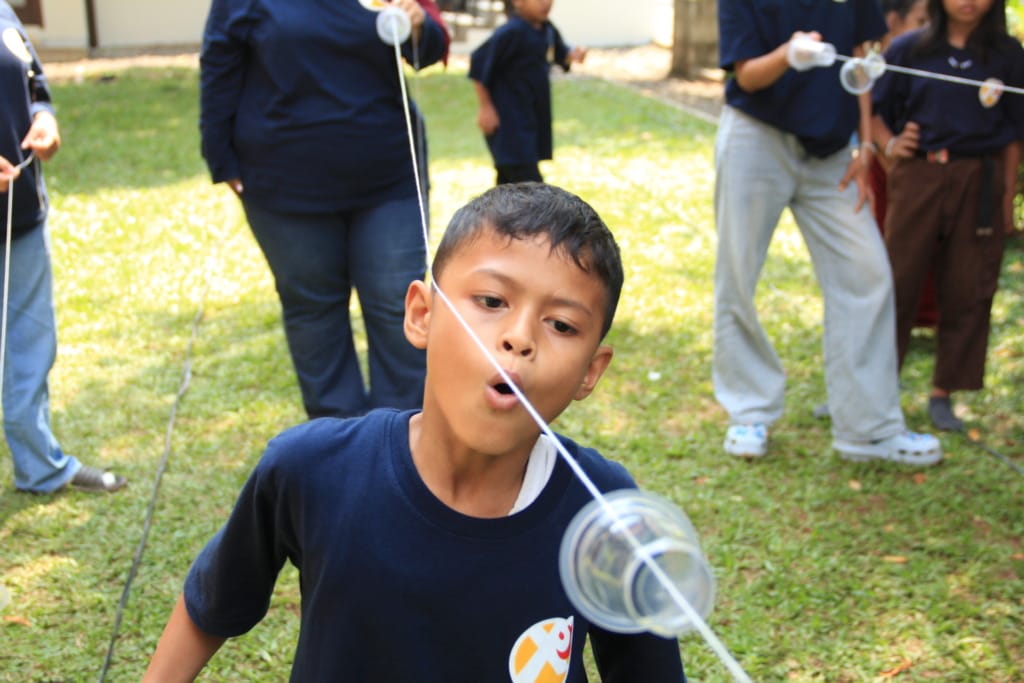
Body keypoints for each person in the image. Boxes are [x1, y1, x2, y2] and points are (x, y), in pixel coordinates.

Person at [142, 183, 687, 681]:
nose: (520, 338)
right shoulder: (309, 469)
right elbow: (211, 606)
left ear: (591, 371)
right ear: (422, 314)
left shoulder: (606, 508)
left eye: (562, 325)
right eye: (492, 301)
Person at [713, 0, 942, 465]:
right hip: (757, 136)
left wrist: (864, 144)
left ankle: (867, 430)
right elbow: (746, 76)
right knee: (738, 274)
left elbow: (859, 58)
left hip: (834, 151)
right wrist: (787, 55)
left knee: (867, 274)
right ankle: (749, 412)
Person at [199, 0, 450, 419]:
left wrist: (420, 25)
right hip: (285, 185)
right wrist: (219, 155)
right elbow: (219, 63)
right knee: (313, 310)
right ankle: (337, 440)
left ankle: (402, 438)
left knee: (399, 307)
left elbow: (427, 51)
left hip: (388, 178)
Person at [870, 0, 1024, 431]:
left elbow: (1015, 135)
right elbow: (874, 107)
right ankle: (875, 386)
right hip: (920, 175)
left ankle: (944, 392)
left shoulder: (1008, 55)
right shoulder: (909, 49)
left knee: (968, 283)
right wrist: (889, 145)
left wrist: (1007, 199)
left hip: (980, 180)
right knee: (897, 280)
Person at [0, 2, 126, 493]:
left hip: (20, 217)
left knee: (31, 346)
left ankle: (40, 466)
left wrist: (44, 119)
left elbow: (33, 86)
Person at [869, 0, 938, 329]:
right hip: (886, 173)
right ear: (893, 21)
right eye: (922, 21)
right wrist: (888, 148)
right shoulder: (880, 63)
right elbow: (870, 113)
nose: (931, 30)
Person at [469, 0, 587, 185]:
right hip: (509, 122)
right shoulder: (510, 32)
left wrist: (572, 54)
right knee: (529, 185)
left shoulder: (546, 29)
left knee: (509, 185)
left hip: (532, 117)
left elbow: (559, 52)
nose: (545, 3)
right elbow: (478, 61)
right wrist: (485, 107)